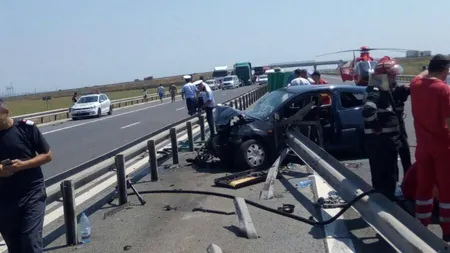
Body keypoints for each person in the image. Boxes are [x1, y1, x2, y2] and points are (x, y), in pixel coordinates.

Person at [0, 99, 52, 253]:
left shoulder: (25, 128)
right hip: (4, 199)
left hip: (32, 193)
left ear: (6, 112)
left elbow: (47, 155)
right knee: (14, 247)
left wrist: (23, 165)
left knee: (30, 242)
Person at [410, 54, 450, 242]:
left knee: (424, 188)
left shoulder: (415, 84)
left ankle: (420, 228)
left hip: (423, 148)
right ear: (445, 70)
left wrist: (431, 68)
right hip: (443, 148)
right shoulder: (444, 90)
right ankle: (448, 231)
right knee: (446, 190)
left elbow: (422, 75)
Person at [362, 56, 405, 201]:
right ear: (384, 76)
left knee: (386, 174)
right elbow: (368, 111)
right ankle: (388, 203)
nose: (395, 79)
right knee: (386, 175)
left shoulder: (384, 89)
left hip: (385, 142)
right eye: (393, 76)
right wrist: (377, 127)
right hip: (381, 143)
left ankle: (384, 200)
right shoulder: (376, 90)